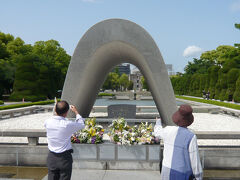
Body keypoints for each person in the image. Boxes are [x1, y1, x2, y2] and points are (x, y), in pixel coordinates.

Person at [154, 104, 203, 180]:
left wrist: (158, 122)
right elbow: (194, 160)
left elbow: (157, 132)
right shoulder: (191, 136)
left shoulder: (167, 130)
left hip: (166, 171)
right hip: (182, 173)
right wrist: (198, 176)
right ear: (189, 120)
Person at [44, 100, 85, 180]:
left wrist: (56, 111)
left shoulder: (48, 122)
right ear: (66, 112)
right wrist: (76, 112)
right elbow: (81, 124)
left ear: (55, 110)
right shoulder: (67, 124)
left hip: (52, 157)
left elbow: (52, 118)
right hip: (64, 158)